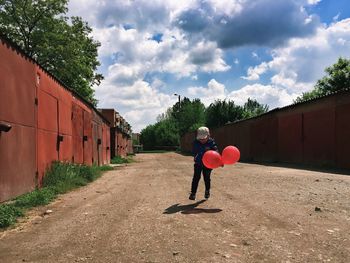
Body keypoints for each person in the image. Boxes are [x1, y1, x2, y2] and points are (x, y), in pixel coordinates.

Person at [189, 126, 219, 200]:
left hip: (208, 164)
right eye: (200, 138)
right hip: (198, 163)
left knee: (207, 178)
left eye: (204, 138)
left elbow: (216, 152)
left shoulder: (211, 142)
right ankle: (193, 193)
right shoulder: (196, 143)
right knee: (196, 178)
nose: (202, 140)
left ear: (208, 135)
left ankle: (207, 191)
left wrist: (219, 161)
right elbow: (194, 151)